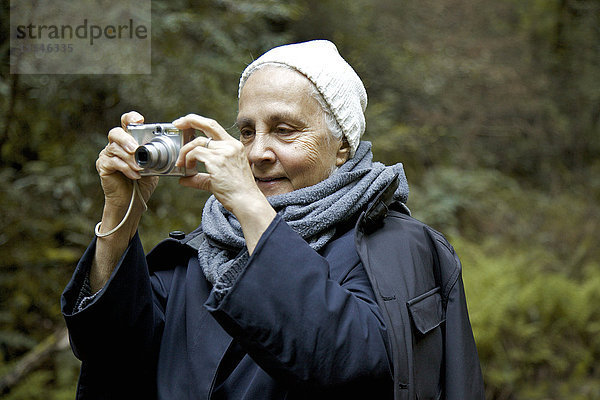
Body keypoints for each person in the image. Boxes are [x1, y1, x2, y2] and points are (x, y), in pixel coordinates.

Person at [62, 40, 484, 399]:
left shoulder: (398, 247)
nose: (257, 153)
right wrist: (121, 213)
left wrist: (250, 206)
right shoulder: (201, 254)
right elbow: (110, 356)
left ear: (342, 146)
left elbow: (358, 369)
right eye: (247, 132)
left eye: (284, 130)